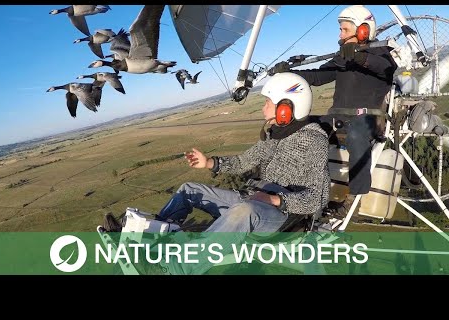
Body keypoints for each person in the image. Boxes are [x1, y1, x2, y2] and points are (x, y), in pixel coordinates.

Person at [123, 72, 330, 275]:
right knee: (189, 190)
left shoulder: (314, 141)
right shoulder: (275, 136)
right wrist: (210, 163)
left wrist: (274, 199)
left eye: (268, 102)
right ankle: (150, 241)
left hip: (284, 216)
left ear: (286, 108)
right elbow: (243, 161)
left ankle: (172, 269)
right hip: (253, 198)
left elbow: (317, 199)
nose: (263, 107)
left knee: (244, 210)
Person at [269, 5, 398, 217]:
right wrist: (290, 73)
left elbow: (383, 68)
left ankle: (354, 198)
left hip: (368, 118)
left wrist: (359, 57)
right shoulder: (342, 57)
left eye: (345, 30)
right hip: (338, 116)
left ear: (363, 30)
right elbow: (319, 77)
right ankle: (293, 185)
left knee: (357, 133)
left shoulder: (381, 53)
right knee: (300, 126)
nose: (340, 34)